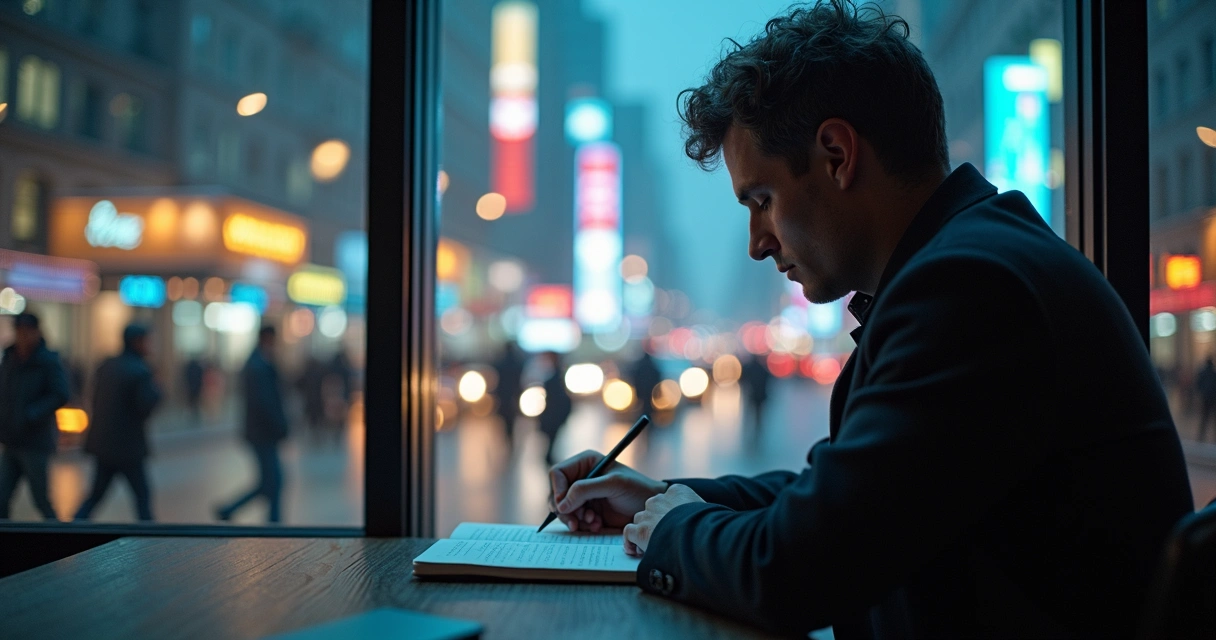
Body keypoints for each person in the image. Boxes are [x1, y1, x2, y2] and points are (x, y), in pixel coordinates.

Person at [545, 2, 1194, 637]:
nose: (757, 242)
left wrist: (673, 529)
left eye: (762, 201)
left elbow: (798, 568)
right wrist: (662, 494)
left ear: (836, 154)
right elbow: (845, 495)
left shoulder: (971, 290)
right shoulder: (973, 262)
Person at [75, 324, 162, 521]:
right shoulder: (140, 370)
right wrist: (158, 390)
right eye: (147, 340)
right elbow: (145, 406)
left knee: (96, 496)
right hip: (127, 447)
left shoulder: (107, 365)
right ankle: (150, 537)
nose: (150, 345)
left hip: (104, 443)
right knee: (142, 496)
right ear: (137, 342)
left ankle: (70, 528)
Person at [0, 312, 70, 520]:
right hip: (11, 440)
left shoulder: (47, 361)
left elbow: (60, 394)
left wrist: (33, 414)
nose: (23, 337)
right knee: (2, 497)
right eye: (19, 332)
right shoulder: (10, 359)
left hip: (35, 441)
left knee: (41, 499)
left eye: (27, 332)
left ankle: (58, 540)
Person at [217, 325, 288, 523]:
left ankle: (234, 511)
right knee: (273, 481)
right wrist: (280, 426)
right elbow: (265, 402)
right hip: (262, 433)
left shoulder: (259, 362)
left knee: (271, 482)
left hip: (261, 432)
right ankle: (273, 523)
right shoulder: (259, 365)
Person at [537, 351, 572, 467]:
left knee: (551, 438)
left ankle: (548, 458)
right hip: (555, 415)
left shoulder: (554, 379)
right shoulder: (557, 377)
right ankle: (548, 458)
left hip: (553, 415)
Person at [491, 342, 524, 450]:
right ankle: (510, 439)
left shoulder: (501, 363)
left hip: (503, 397)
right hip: (513, 398)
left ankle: (507, 438)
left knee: (505, 420)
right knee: (512, 420)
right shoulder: (517, 363)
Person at [738, 354, 772, 433]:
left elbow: (744, 378)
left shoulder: (751, 368)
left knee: (750, 411)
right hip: (759, 394)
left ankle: (749, 427)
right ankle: (758, 426)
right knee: (758, 412)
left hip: (752, 394)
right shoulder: (762, 368)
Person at [627, 347, 662, 420]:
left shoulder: (640, 366)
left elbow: (634, 376)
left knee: (642, 406)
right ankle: (647, 419)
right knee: (648, 405)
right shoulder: (652, 366)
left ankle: (645, 419)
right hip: (649, 390)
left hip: (642, 389)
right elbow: (657, 376)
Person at [1196, 357, 1216, 441]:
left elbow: (1198, 384)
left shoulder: (1203, 372)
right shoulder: (1213, 373)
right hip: (1213, 397)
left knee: (1204, 418)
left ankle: (1201, 436)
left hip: (1205, 397)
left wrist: (1201, 393)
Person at [183, 357, 205, 425]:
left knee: (192, 400)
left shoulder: (189, 368)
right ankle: (195, 411)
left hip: (192, 386)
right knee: (195, 399)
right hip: (196, 386)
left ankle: (192, 412)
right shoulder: (198, 367)